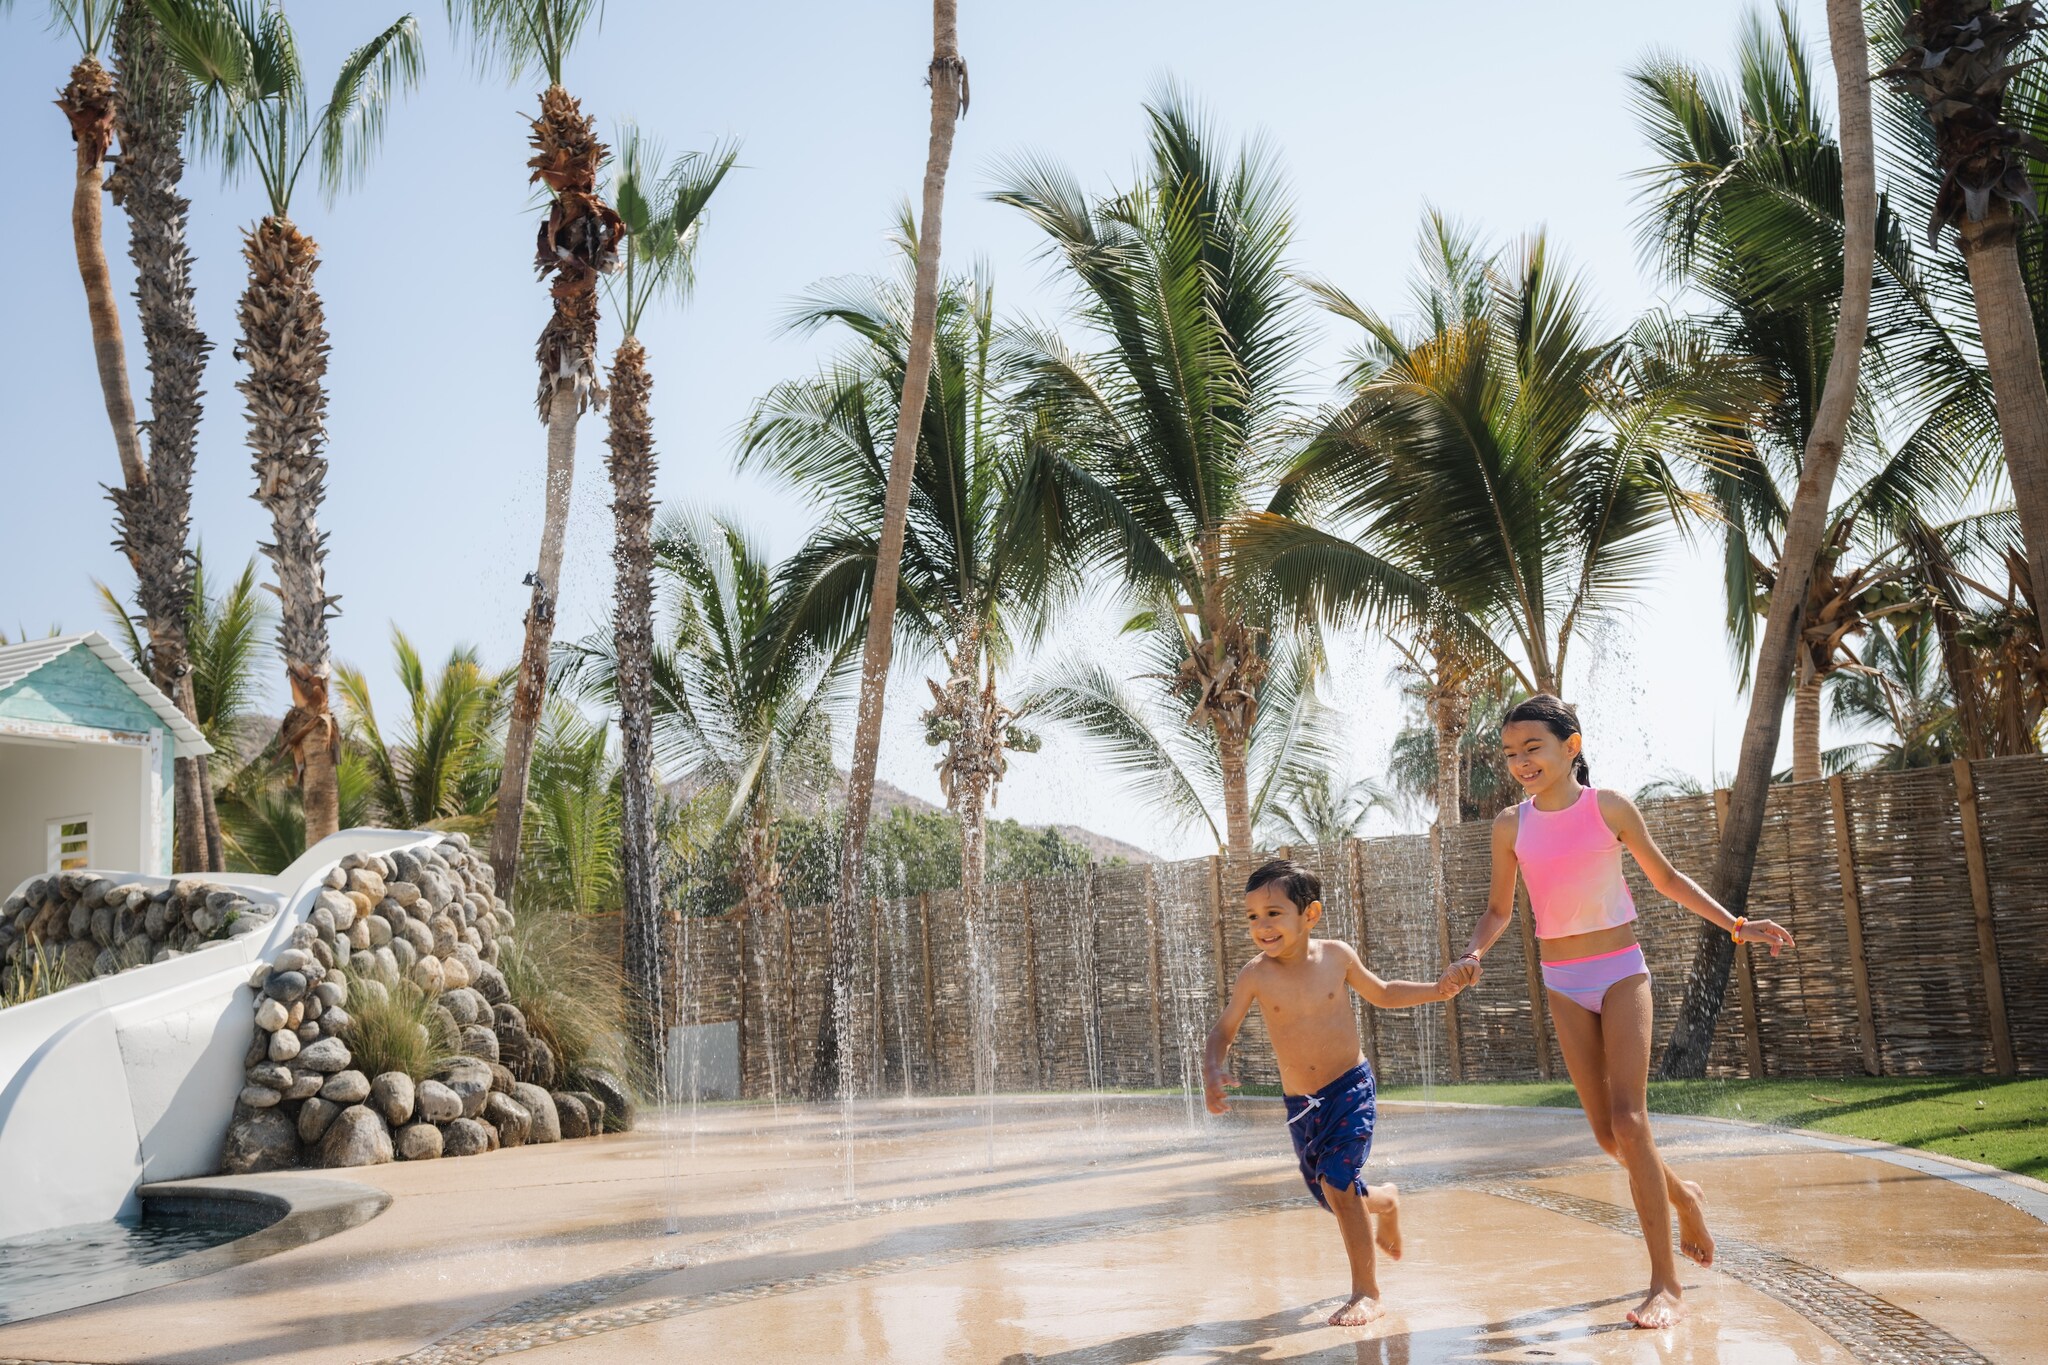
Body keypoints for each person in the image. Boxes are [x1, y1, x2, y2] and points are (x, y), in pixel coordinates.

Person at [1446, 694, 1794, 1329]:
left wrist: (1737, 924)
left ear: (1570, 746)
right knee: (1609, 1136)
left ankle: (1666, 1284)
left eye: (1534, 748)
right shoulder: (1509, 825)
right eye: (1511, 752)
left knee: (1631, 1119)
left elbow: (1666, 879)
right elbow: (1500, 909)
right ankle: (1684, 1195)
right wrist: (1471, 951)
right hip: (1561, 979)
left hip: (1618, 972)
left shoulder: (1606, 807)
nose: (1521, 762)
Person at [1203, 858, 1469, 1327]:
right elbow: (1223, 1031)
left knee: (1339, 1185)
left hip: (1349, 1088)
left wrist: (1435, 990)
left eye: (1273, 913)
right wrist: (1212, 1069)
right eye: (1252, 917)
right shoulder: (1255, 975)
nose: (1262, 926)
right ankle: (1386, 1201)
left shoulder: (1336, 957)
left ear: (1310, 915)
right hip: (1300, 1106)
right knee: (1331, 1194)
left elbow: (1383, 992)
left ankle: (1367, 1292)